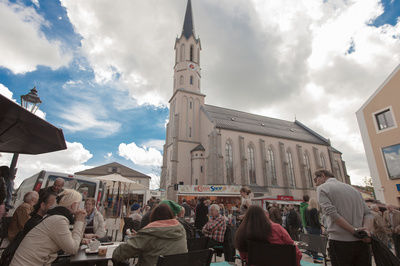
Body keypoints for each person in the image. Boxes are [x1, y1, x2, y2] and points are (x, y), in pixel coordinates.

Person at [10, 189, 86, 266]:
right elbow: (73, 249)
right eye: (79, 204)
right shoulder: (58, 220)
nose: (79, 207)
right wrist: (79, 222)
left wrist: (80, 222)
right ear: (74, 205)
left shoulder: (53, 216)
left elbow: (70, 241)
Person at [315, 169, 373, 266]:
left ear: (322, 176)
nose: (316, 183)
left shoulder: (323, 188)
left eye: (315, 179)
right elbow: (368, 213)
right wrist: (366, 231)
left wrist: (353, 231)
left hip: (340, 242)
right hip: (361, 242)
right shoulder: (353, 190)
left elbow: (332, 214)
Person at [112, 203, 187, 266]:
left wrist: (139, 237)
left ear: (153, 217)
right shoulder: (181, 231)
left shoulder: (149, 233)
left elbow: (118, 254)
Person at [235, 205, 302, 266]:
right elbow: (296, 252)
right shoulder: (277, 229)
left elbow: (243, 257)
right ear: (264, 215)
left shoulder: (242, 233)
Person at [305, 198, 323, 263]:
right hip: (315, 228)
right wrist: (320, 226)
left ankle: (310, 252)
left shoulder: (307, 210)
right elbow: (316, 220)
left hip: (309, 228)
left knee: (312, 241)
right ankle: (315, 257)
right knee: (316, 243)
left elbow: (306, 219)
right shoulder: (314, 210)